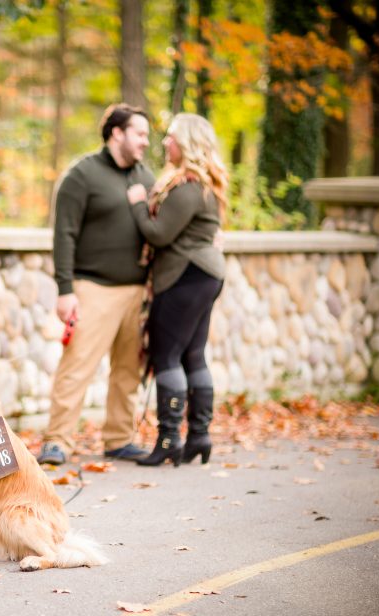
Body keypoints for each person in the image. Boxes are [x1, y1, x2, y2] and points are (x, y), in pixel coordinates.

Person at [37, 103, 156, 466]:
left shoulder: (146, 178)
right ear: (116, 133)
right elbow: (64, 235)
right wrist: (65, 289)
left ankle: (119, 438)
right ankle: (57, 441)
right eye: (139, 134)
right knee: (77, 367)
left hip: (138, 290)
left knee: (128, 370)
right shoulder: (82, 175)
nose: (145, 142)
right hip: (92, 288)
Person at [125, 113, 228, 467]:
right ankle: (198, 436)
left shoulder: (187, 188)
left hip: (185, 276)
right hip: (204, 276)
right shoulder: (202, 185)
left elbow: (158, 234)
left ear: (186, 143)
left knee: (166, 356)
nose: (165, 143)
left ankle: (169, 439)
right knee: (193, 355)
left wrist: (138, 203)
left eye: (171, 137)